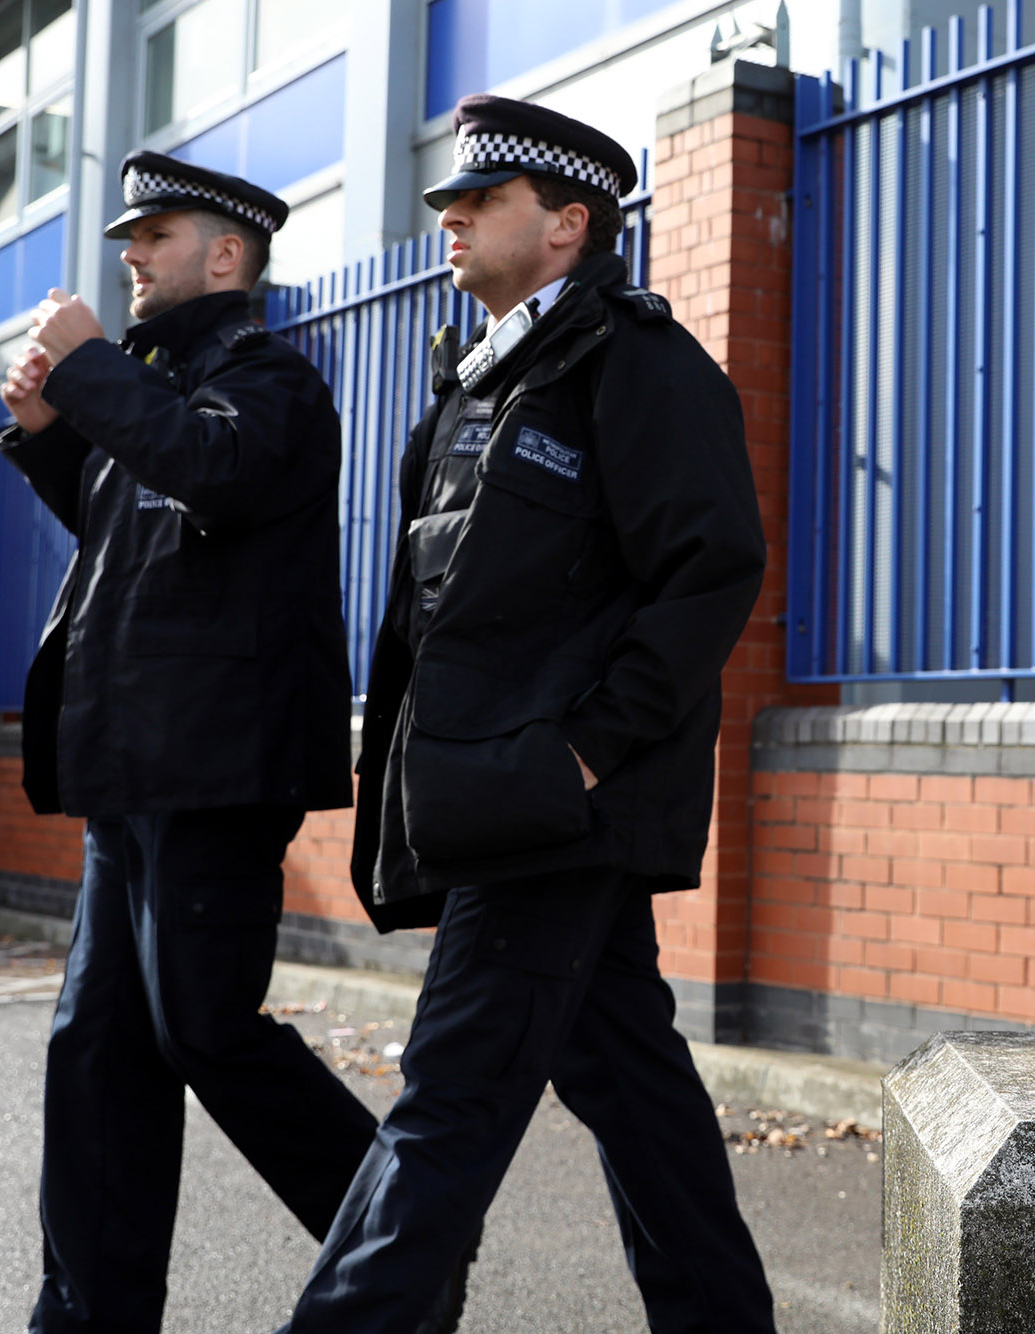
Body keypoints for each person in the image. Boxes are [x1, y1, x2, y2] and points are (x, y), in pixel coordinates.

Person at [279, 95, 779, 1333]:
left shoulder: (639, 365)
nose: (448, 217)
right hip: (503, 788)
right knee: (632, 1081)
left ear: (567, 227)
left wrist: (584, 750)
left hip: (551, 802)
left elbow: (709, 572)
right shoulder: (477, 382)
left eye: (478, 201)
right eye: (449, 200)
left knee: (446, 1094)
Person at [0, 151, 381, 1333]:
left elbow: (211, 471)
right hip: (132, 774)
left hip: (217, 772)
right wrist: (52, 434)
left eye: (153, 234)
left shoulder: (271, 384)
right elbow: (143, 531)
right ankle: (89, 1311)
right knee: (99, 1045)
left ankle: (403, 1242)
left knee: (203, 1029)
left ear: (225, 255)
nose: (131, 254)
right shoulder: (154, 392)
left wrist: (93, 369)